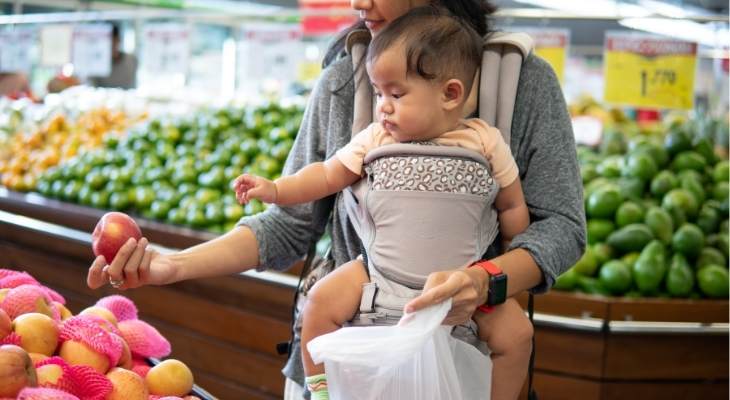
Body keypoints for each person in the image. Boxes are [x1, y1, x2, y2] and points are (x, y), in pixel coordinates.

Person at [86, 1, 586, 399]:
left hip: (466, 363)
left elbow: (561, 226)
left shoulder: (523, 84)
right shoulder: (344, 81)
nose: (357, 3)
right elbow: (288, 225)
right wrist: (172, 266)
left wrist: (486, 281)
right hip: (349, 358)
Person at [234, 8, 530, 399]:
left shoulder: (485, 141)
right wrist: (275, 189)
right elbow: (323, 176)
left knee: (517, 334)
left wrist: (508, 261)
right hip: (376, 280)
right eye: (377, 93)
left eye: (396, 93)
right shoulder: (375, 139)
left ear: (450, 93)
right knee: (320, 302)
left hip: (461, 290)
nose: (383, 107)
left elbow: (512, 207)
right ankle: (320, 390)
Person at [90, 23, 137, 89]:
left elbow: (133, 86)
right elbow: (92, 88)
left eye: (112, 42)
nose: (109, 46)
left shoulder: (131, 60)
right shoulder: (97, 64)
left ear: (118, 40)